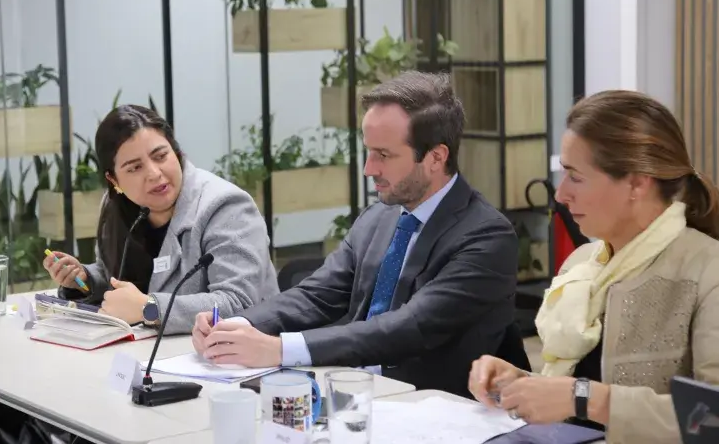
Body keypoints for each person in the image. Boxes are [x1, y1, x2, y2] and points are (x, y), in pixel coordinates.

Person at [192, 71, 521, 397]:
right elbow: (318, 294)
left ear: (436, 157)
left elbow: (409, 327)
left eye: (384, 155)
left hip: (433, 408)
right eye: (369, 151)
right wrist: (238, 324)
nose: (368, 169)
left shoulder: (486, 237)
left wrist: (278, 349)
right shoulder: (380, 216)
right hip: (356, 394)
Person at [468, 90, 719, 443]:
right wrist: (522, 385)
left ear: (636, 182)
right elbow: (579, 396)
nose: (560, 194)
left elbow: (712, 420)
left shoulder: (709, 271)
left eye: (575, 176)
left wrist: (584, 398)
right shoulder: (583, 263)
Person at [43, 104, 279, 335]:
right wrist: (86, 280)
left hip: (226, 358)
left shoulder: (226, 205)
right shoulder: (116, 207)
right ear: (114, 180)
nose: (154, 174)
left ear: (176, 152)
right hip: (148, 353)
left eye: (160, 156)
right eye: (135, 168)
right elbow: (121, 279)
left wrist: (150, 309)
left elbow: (238, 303)